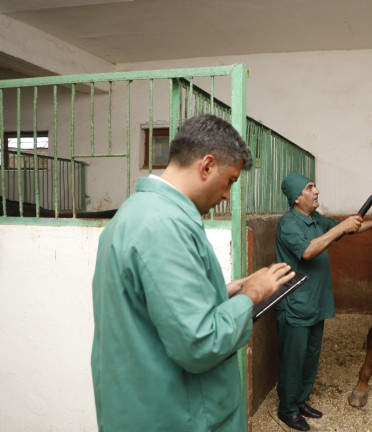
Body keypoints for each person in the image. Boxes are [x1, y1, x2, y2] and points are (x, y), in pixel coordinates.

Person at [91, 114, 295, 431]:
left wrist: (218, 293)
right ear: (207, 166)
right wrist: (252, 295)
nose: (228, 194)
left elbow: (154, 305)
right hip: (177, 414)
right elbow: (199, 343)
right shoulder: (163, 226)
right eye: (230, 180)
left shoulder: (137, 211)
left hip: (143, 403)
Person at [274, 172, 372, 431]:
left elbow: (351, 227)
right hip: (296, 305)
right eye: (310, 188)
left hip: (315, 303)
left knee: (311, 357)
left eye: (315, 186)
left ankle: (300, 400)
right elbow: (308, 251)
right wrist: (340, 227)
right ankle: (287, 410)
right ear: (297, 198)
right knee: (293, 361)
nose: (316, 191)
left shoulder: (315, 219)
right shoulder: (288, 224)